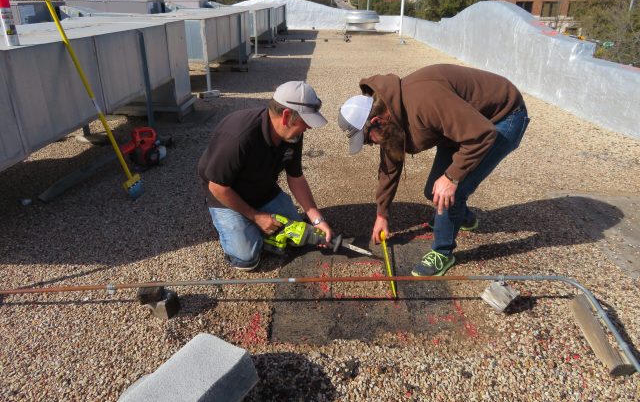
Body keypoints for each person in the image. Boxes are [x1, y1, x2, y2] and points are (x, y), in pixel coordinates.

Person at [338, 64, 529, 277]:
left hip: (501, 119)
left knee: (449, 193)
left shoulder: (424, 102)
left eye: (366, 140)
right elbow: (390, 167)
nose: (370, 145)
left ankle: (443, 252)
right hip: (463, 128)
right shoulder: (390, 113)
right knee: (433, 191)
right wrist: (382, 214)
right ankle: (462, 219)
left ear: (376, 121)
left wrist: (451, 177)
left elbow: (481, 135)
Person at [198, 81, 333, 271]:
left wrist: (318, 220)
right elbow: (217, 187)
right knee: (247, 259)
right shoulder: (238, 136)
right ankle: (235, 224)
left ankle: (253, 227)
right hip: (226, 193)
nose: (308, 128)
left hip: (263, 188)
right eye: (306, 121)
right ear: (286, 116)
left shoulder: (293, 135)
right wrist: (257, 217)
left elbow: (296, 178)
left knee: (301, 237)